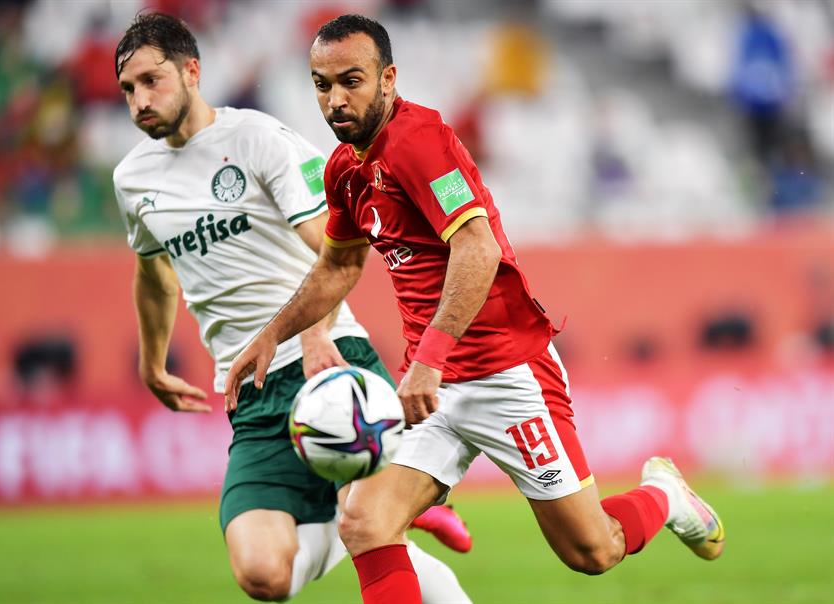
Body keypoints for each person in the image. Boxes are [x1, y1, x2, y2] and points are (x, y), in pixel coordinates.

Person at [226, 14, 726, 604]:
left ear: (388, 79)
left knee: (592, 551)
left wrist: (430, 358)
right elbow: (338, 267)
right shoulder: (345, 171)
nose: (334, 100)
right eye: (321, 84)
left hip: (505, 374)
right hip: (432, 388)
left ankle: (663, 495)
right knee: (365, 523)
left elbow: (477, 246)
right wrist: (273, 334)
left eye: (350, 81)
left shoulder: (419, 141)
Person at [112, 12, 471, 603]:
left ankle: (370, 515)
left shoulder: (255, 139)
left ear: (192, 71)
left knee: (372, 530)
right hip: (249, 391)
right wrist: (153, 364)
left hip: (328, 362)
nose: (140, 100)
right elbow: (154, 275)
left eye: (152, 81)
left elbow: (336, 249)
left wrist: (312, 330)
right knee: (262, 576)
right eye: (128, 89)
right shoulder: (133, 179)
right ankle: (359, 512)